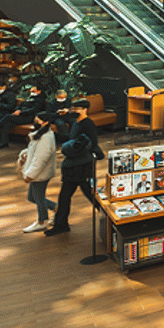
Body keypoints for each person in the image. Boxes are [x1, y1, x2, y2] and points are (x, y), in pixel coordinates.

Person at [46, 99, 102, 236]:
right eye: (73, 108)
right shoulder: (76, 122)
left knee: (92, 195)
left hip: (83, 167)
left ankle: (110, 218)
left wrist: (75, 148)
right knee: (65, 196)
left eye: (77, 108)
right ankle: (61, 225)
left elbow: (93, 142)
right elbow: (72, 139)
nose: (74, 111)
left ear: (85, 109)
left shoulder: (88, 124)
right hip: (73, 166)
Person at [18, 111, 59, 232]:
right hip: (39, 172)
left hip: (40, 173)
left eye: (38, 120)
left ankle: (42, 221)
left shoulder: (46, 137)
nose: (36, 122)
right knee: (32, 197)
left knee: (39, 198)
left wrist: (30, 175)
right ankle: (57, 209)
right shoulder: (41, 134)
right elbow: (35, 151)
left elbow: (40, 159)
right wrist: (26, 154)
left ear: (46, 122)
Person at [0, 82, 46, 149]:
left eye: (33, 91)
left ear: (39, 91)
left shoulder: (40, 100)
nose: (31, 92)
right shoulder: (29, 98)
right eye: (31, 91)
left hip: (29, 117)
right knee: (7, 124)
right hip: (21, 115)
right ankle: (4, 143)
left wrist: (21, 112)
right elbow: (20, 105)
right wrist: (17, 110)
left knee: (8, 116)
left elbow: (34, 110)